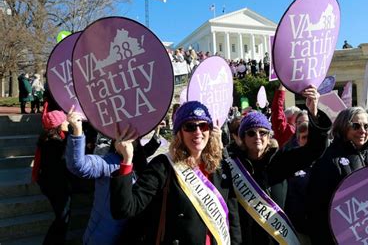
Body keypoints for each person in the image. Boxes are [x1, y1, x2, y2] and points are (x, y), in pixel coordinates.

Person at [110, 101, 241, 244]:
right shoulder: (163, 166)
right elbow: (124, 209)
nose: (197, 132)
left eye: (203, 125)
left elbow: (232, 220)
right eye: (190, 126)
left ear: (209, 130)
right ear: (179, 133)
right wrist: (127, 160)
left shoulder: (221, 167)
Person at [226, 85, 331, 244]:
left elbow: (314, 150)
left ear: (269, 137)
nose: (258, 137)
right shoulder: (232, 165)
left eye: (263, 132)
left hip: (278, 239)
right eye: (251, 133)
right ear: (242, 137)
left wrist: (314, 112)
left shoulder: (279, 161)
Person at [65, 106, 162, 244]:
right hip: (100, 239)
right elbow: (78, 165)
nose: (126, 142)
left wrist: (156, 133)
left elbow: (145, 152)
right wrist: (77, 130)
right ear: (114, 141)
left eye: (131, 138)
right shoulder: (107, 164)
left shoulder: (139, 165)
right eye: (122, 137)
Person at [307, 107, 368, 244]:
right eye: (356, 125)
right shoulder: (328, 160)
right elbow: (316, 209)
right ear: (343, 127)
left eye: (367, 126)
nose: (363, 130)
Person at [34, 110, 73, 244]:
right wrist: (68, 134)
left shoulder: (47, 139)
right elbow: (65, 159)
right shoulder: (54, 143)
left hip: (50, 184)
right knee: (62, 219)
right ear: (58, 125)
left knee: (62, 218)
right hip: (56, 187)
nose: (67, 123)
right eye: (64, 121)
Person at [271, 84, 301, 148]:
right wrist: (283, 85)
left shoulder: (300, 129)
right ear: (290, 117)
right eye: (298, 115)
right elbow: (277, 109)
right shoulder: (284, 128)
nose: (301, 116)